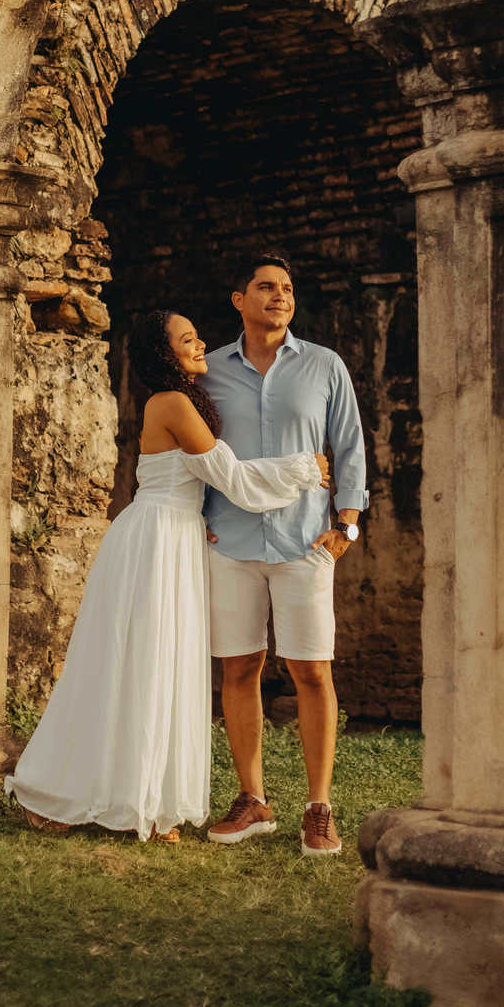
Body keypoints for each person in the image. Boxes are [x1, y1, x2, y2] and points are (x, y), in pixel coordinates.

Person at [5, 309, 329, 843]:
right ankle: (78, 793)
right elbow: (233, 479)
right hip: (155, 541)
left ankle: (147, 799)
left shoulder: (180, 400)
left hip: (175, 534)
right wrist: (305, 469)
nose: (200, 343)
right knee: (140, 662)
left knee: (164, 662)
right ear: (165, 354)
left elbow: (201, 481)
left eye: (196, 334)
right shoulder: (174, 403)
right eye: (187, 339)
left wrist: (198, 522)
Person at [201, 253, 367, 857]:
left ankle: (318, 808)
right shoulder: (209, 371)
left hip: (305, 541)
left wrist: (346, 524)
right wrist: (199, 519)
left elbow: (348, 445)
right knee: (239, 669)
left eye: (287, 289)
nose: (280, 296)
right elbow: (193, 450)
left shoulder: (324, 365)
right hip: (231, 541)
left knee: (312, 670)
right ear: (238, 299)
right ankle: (252, 800)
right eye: (266, 287)